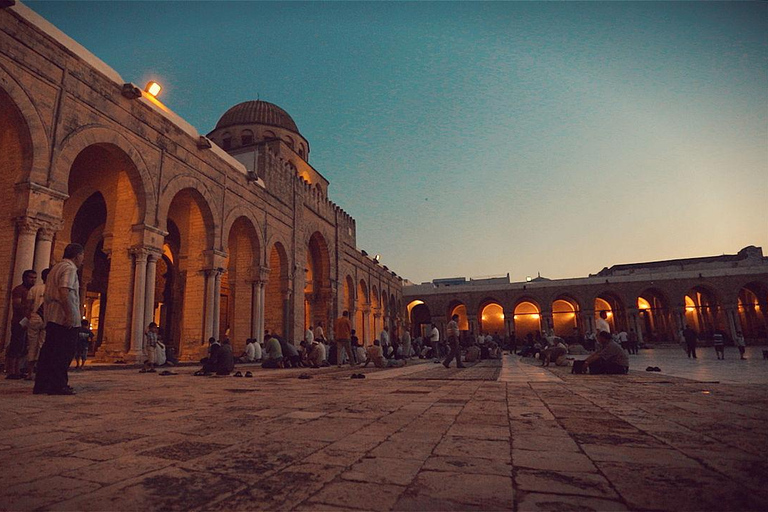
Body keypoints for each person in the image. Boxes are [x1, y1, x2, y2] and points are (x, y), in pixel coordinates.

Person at [34, 244, 84, 395]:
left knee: (49, 351)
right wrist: (69, 315)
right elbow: (65, 290)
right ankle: (58, 385)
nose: (82, 260)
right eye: (82, 256)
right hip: (63, 318)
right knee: (63, 353)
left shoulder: (55, 268)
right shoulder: (69, 268)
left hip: (52, 317)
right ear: (77, 255)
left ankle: (42, 384)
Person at [5, 269, 36, 379]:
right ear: (25, 278)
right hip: (19, 322)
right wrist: (28, 307)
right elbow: (17, 305)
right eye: (31, 277)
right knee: (15, 346)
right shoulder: (19, 290)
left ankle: (18, 370)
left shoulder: (32, 290)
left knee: (23, 347)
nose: (33, 280)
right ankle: (11, 370)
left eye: (34, 278)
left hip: (28, 322)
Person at [26, 268, 49, 381]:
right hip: (45, 319)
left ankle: (30, 372)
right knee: (42, 345)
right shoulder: (52, 289)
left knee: (32, 345)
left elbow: (28, 306)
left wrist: (28, 317)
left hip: (34, 317)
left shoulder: (34, 289)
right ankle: (40, 372)